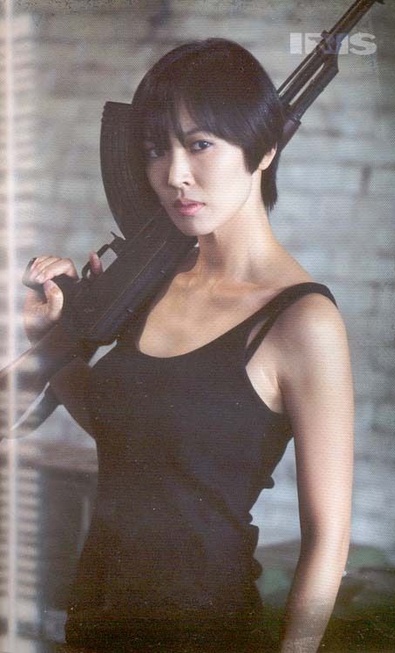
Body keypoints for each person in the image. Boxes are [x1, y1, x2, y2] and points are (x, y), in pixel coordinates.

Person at [23, 39, 353, 653]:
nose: (173, 175)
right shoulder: (153, 285)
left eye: (200, 145)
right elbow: (131, 435)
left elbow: (328, 538)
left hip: (203, 633)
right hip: (93, 622)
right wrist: (51, 340)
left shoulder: (303, 321)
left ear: (265, 149)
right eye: (156, 150)